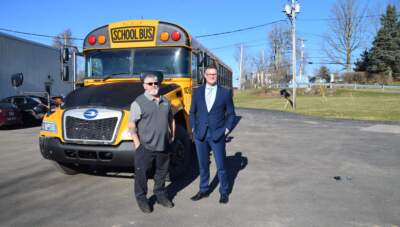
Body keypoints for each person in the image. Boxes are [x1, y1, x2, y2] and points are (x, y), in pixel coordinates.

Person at [128, 71, 175, 213]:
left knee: (161, 173)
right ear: (144, 86)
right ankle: (142, 199)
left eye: (156, 83)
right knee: (141, 175)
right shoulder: (138, 103)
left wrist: (172, 136)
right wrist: (137, 145)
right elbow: (131, 125)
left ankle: (160, 195)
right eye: (150, 83)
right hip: (145, 147)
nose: (154, 85)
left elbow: (171, 119)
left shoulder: (165, 101)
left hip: (164, 145)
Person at [189, 64, 236, 204]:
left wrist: (226, 130)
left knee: (221, 166)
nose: (212, 76)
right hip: (200, 135)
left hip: (217, 135)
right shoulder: (197, 92)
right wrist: (193, 128)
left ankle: (224, 191)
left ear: (217, 76)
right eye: (209, 74)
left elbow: (231, 114)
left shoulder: (225, 93)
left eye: (214, 74)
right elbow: (192, 112)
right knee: (203, 165)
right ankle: (204, 190)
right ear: (205, 75)